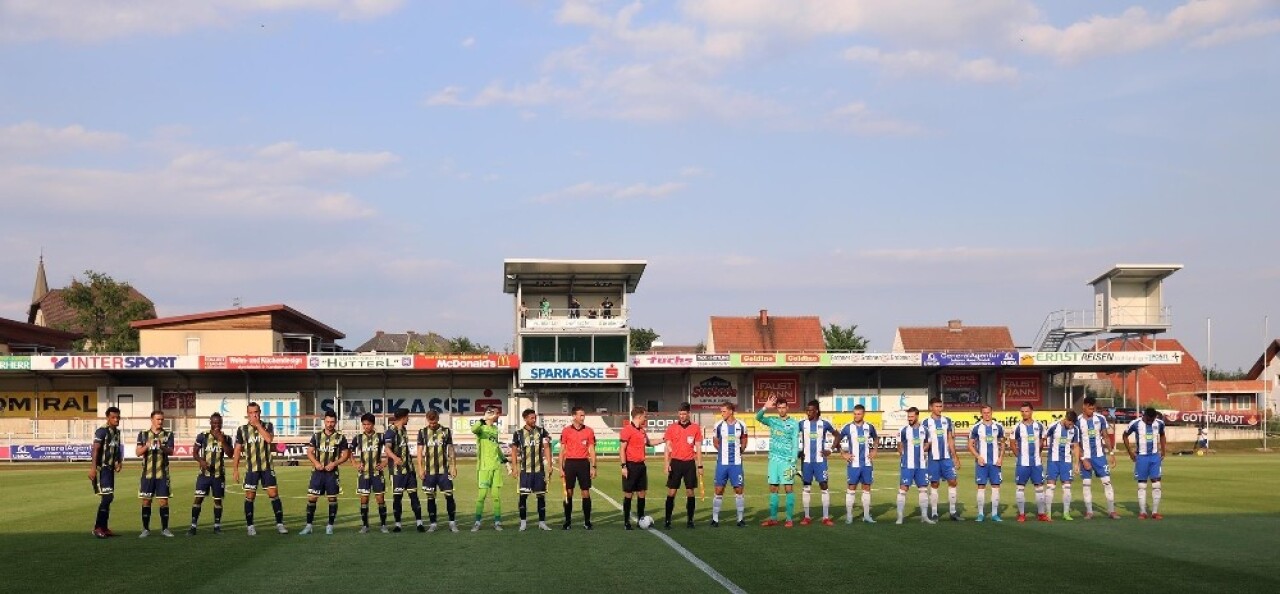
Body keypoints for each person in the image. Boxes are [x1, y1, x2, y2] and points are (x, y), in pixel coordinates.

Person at [233, 402, 287, 535]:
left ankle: (280, 524)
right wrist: (235, 469)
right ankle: (250, 526)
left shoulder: (268, 426)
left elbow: (269, 439)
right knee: (250, 496)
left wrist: (258, 425)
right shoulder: (242, 429)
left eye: (256, 412)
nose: (254, 415)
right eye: (251, 413)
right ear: (247, 415)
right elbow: (238, 449)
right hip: (251, 468)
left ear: (260, 412)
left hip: (267, 467)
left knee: (273, 494)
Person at [299, 409, 349, 535]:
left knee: (332, 499)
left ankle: (330, 526)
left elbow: (345, 455)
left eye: (332, 422)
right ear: (324, 421)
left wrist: (334, 463)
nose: (330, 424)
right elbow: (309, 452)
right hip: (317, 473)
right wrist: (316, 463)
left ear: (336, 422)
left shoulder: (340, 437)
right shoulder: (316, 436)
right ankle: (309, 526)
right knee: (312, 498)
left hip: (332, 474)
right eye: (327, 421)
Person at [755, 395, 800, 527]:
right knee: (773, 488)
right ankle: (773, 518)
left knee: (788, 488)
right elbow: (758, 418)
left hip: (787, 461)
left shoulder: (793, 423)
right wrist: (765, 407)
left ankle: (789, 519)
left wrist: (793, 461)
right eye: (779, 408)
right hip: (773, 460)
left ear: (787, 408)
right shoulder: (772, 421)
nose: (781, 410)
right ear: (776, 409)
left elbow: (795, 442)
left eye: (783, 407)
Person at [189, 412, 233, 535]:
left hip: (219, 475)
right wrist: (201, 461)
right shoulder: (202, 436)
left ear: (222, 423)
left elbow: (230, 454)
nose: (216, 425)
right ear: (210, 423)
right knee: (198, 499)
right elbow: (195, 453)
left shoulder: (227, 438)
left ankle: (217, 526)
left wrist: (222, 441)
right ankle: (193, 527)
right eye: (214, 423)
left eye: (219, 423)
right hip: (204, 475)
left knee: (218, 500)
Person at [510, 408, 554, 531]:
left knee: (541, 496)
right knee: (523, 496)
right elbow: (514, 451)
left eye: (535, 418)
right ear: (525, 419)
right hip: (525, 471)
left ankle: (542, 522)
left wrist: (549, 465)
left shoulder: (541, 431)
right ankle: (523, 522)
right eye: (531, 418)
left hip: (539, 470)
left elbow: (546, 447)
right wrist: (514, 467)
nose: (534, 420)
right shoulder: (518, 433)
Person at [619, 406, 661, 530]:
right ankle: (627, 522)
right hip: (630, 466)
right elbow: (622, 449)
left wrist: (664, 439)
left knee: (642, 493)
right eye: (645, 416)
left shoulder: (642, 431)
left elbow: (649, 442)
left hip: (641, 466)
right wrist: (623, 466)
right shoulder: (627, 430)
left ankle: (641, 520)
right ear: (638, 416)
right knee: (629, 494)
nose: (646, 418)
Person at [1077, 396, 1119, 520]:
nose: (1092, 410)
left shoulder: (1100, 418)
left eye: (1093, 407)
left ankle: (1111, 511)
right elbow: (1075, 443)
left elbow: (1105, 436)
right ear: (1084, 406)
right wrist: (1083, 458)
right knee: (1086, 483)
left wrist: (1111, 454)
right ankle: (1089, 512)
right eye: (1090, 407)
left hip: (1099, 456)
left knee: (1107, 482)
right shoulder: (1078, 421)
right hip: (1086, 457)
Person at [417, 410, 459, 532]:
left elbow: (451, 450)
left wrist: (453, 466)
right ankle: (433, 523)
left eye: (434, 422)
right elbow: (420, 452)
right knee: (430, 498)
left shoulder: (446, 431)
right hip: (429, 472)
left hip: (444, 471)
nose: (432, 425)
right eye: (430, 422)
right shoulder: (422, 432)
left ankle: (452, 523)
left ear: (438, 419)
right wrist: (420, 468)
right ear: (427, 420)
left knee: (449, 496)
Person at [663, 403, 703, 529]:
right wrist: (666, 464)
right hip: (675, 463)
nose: (682, 416)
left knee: (690, 492)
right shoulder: (672, 428)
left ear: (689, 414)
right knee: (671, 492)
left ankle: (690, 520)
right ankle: (668, 520)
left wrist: (700, 466)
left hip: (689, 463)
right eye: (680, 414)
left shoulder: (695, 428)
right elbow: (667, 447)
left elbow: (698, 447)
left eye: (684, 414)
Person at [798, 399, 838, 526]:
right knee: (806, 487)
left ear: (816, 411)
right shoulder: (802, 424)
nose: (808, 412)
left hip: (820, 461)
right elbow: (791, 435)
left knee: (824, 486)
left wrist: (830, 450)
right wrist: (797, 451)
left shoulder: (825, 424)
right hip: (807, 461)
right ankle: (807, 516)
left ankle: (825, 517)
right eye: (807, 410)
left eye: (810, 410)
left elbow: (838, 435)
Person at [136, 410, 175, 538]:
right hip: (147, 475)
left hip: (162, 475)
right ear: (152, 420)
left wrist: (162, 446)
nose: (160, 422)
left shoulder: (168, 435)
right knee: (146, 501)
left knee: (163, 501)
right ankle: (146, 529)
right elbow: (138, 452)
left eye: (162, 419)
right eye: (158, 419)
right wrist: (147, 446)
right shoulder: (143, 435)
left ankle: (165, 529)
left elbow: (171, 452)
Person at [385, 408, 425, 532]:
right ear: (403, 417)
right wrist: (395, 458)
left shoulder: (403, 429)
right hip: (397, 472)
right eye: (408, 417)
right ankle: (398, 525)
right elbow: (387, 449)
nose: (408, 419)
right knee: (398, 498)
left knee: (414, 496)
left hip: (409, 470)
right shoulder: (390, 431)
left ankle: (419, 523)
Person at [1123, 408, 1167, 520]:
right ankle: (1142, 512)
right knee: (1142, 485)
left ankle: (1155, 512)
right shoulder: (1135, 423)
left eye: (1152, 420)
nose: (1150, 422)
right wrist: (1130, 452)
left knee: (1156, 484)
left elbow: (1162, 435)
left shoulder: (1160, 423)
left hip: (1154, 457)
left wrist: (1163, 450)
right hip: (1141, 457)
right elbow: (1125, 436)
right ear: (1145, 415)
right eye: (1148, 419)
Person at [923, 397, 962, 521]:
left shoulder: (948, 421)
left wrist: (955, 456)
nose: (939, 409)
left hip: (946, 458)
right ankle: (934, 513)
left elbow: (950, 439)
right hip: (933, 458)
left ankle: (953, 512)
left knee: (953, 481)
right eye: (937, 406)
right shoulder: (925, 423)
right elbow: (924, 441)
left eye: (941, 406)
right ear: (931, 407)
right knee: (935, 484)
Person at [837, 404, 877, 524]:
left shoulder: (869, 427)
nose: (856, 416)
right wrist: (843, 453)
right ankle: (849, 516)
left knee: (866, 488)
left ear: (863, 414)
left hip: (867, 463)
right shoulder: (848, 427)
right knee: (851, 488)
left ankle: (866, 516)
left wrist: (874, 449)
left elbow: (876, 438)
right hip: (853, 463)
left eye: (858, 414)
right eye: (854, 413)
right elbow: (837, 439)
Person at [559, 406, 597, 530]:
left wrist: (593, 466)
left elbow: (591, 449)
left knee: (585, 492)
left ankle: (587, 521)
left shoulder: (589, 431)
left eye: (584, 415)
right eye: (581, 415)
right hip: (570, 463)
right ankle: (568, 521)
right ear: (574, 416)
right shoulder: (566, 431)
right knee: (568, 492)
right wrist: (560, 467)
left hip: (583, 464)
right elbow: (562, 450)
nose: (583, 417)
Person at [710, 403, 747, 527]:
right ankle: (715, 519)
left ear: (731, 411)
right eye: (721, 411)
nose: (722, 413)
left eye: (724, 411)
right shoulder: (718, 425)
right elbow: (715, 442)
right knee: (719, 490)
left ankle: (740, 519)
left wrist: (739, 451)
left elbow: (744, 441)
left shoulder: (741, 425)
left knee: (739, 490)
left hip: (736, 464)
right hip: (722, 463)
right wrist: (723, 452)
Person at [351, 413, 389, 533]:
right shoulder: (358, 438)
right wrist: (355, 464)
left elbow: (391, 449)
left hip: (377, 474)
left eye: (368, 424)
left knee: (380, 499)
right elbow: (349, 451)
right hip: (364, 474)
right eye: (364, 424)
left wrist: (385, 462)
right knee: (364, 499)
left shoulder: (380, 437)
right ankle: (365, 525)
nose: (366, 426)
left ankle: (383, 525)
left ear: (373, 424)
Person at [967, 405, 1006, 522]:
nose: (987, 414)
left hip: (995, 463)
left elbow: (1003, 443)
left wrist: (1000, 458)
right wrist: (978, 457)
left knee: (996, 487)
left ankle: (994, 514)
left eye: (988, 412)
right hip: (982, 463)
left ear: (992, 412)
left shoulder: (999, 427)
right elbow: (970, 445)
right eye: (984, 413)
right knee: (981, 487)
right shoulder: (976, 428)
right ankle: (980, 514)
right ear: (981, 414)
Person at [1011, 403, 1048, 523]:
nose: (1023, 413)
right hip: (1023, 463)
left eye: (1026, 411)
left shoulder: (1040, 426)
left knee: (1039, 487)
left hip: (1036, 463)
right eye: (1022, 411)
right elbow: (1012, 443)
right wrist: (1019, 456)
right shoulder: (1017, 427)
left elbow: (1042, 441)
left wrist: (1038, 453)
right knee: (1020, 487)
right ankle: (1022, 514)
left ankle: (1041, 514)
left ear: (1031, 411)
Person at [90, 406, 123, 539]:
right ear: (107, 418)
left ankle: (104, 527)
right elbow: (95, 450)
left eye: (118, 417)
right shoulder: (101, 431)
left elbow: (117, 449)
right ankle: (98, 528)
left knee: (109, 498)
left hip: (110, 470)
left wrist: (118, 462)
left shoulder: (117, 432)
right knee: (107, 497)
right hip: (101, 469)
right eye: (113, 417)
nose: (116, 420)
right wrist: (93, 468)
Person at [896, 407, 934, 524]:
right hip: (907, 464)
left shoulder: (925, 430)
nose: (910, 419)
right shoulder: (903, 430)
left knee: (923, 489)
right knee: (903, 489)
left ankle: (924, 516)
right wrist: (903, 454)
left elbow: (928, 442)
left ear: (917, 416)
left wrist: (924, 449)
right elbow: (899, 445)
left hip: (922, 465)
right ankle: (900, 517)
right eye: (908, 417)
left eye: (912, 417)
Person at [472, 406, 506, 531]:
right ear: (491, 414)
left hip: (496, 467)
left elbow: (496, 447)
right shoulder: (481, 428)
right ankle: (477, 522)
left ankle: (497, 522)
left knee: (496, 496)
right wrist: (483, 419)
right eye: (497, 413)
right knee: (481, 496)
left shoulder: (495, 429)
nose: (498, 416)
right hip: (484, 468)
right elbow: (473, 429)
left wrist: (505, 461)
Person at [1045, 411, 1082, 521]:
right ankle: (1048, 513)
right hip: (1053, 460)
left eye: (1072, 424)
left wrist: (1076, 463)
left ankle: (1066, 513)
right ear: (1066, 418)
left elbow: (1076, 446)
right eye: (1069, 423)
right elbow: (1042, 438)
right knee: (1051, 486)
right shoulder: (1054, 426)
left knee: (1067, 487)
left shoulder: (1075, 430)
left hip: (1066, 461)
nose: (1070, 426)